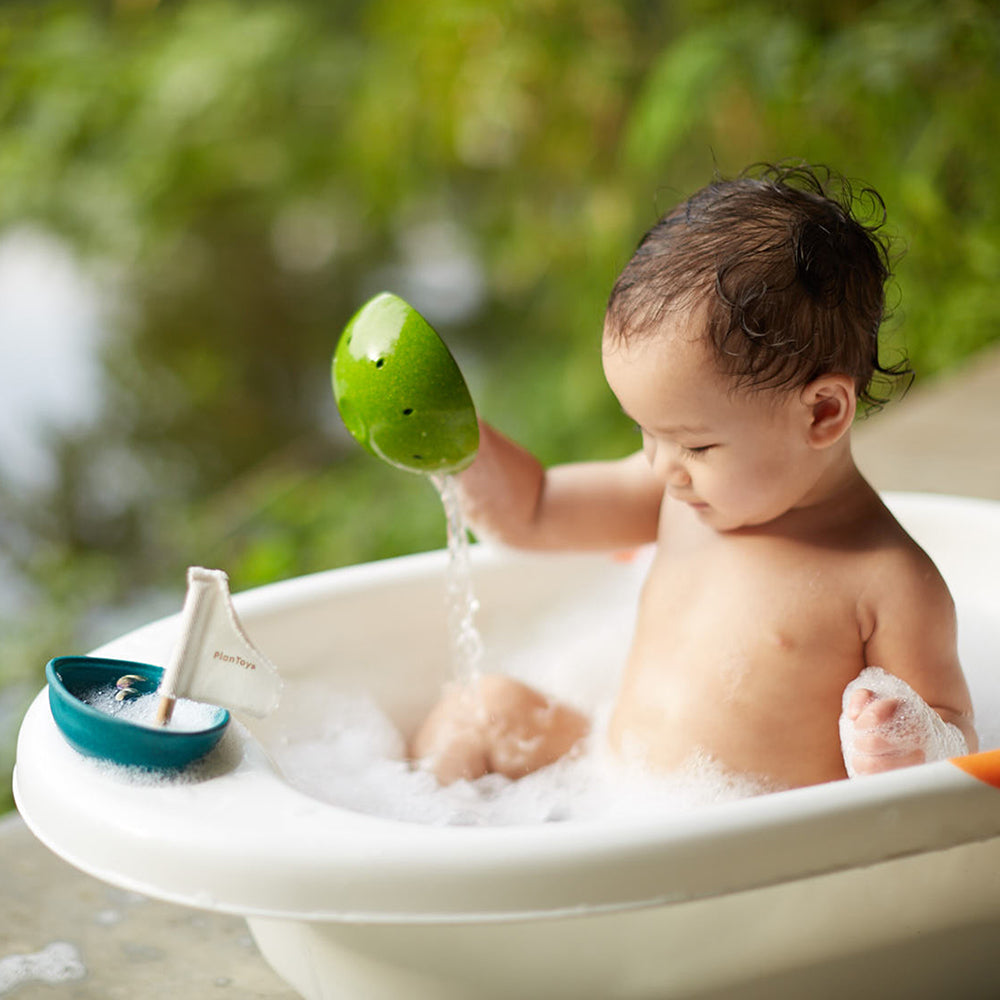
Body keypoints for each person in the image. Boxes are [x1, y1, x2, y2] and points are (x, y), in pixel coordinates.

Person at [410, 163, 977, 791]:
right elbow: (534, 510)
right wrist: (456, 441)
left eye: (696, 444)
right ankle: (423, 854)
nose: (661, 466)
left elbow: (956, 743)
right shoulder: (677, 494)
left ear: (822, 413)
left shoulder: (888, 580)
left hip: (740, 844)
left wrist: (910, 741)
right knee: (478, 709)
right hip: (610, 786)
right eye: (645, 433)